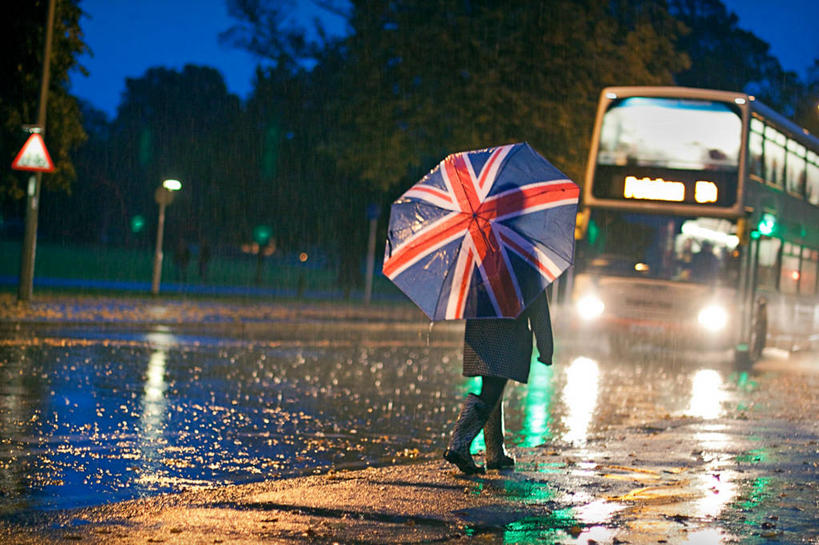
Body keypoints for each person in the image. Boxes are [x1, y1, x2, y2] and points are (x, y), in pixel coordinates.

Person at [444, 289, 553, 474]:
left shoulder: (481, 264)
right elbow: (538, 305)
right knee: (491, 391)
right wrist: (546, 346)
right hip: (507, 332)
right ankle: (459, 443)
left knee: (492, 389)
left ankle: (495, 451)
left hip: (480, 330)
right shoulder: (521, 264)